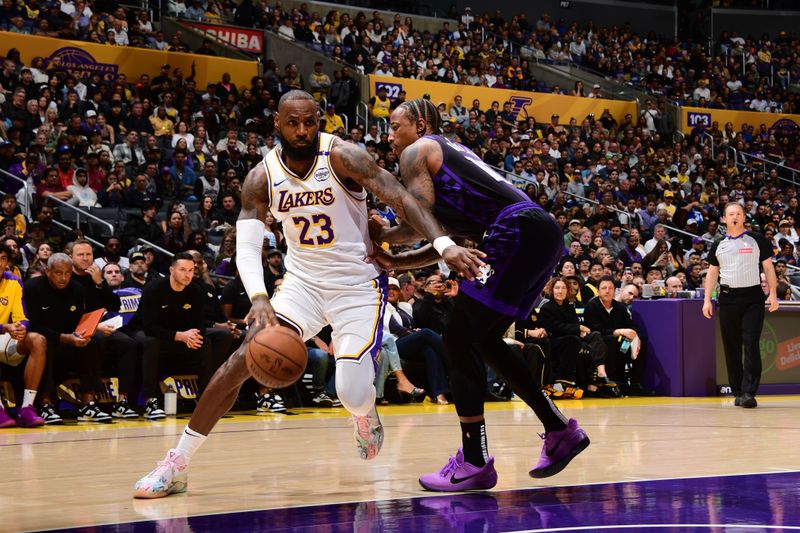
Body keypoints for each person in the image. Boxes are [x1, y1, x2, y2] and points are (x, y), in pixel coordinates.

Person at [133, 90, 480, 498]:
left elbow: (404, 200)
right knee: (240, 360)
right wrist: (259, 296)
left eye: (309, 122)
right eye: (292, 123)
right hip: (302, 285)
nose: (301, 131)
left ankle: (363, 412)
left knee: (350, 391)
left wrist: (443, 246)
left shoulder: (344, 157)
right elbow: (247, 244)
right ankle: (177, 463)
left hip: (357, 286)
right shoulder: (261, 177)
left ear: (320, 121)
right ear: (277, 124)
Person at [372, 98, 589, 492]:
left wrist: (384, 235)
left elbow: (420, 216)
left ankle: (473, 461)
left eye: (394, 126)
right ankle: (559, 429)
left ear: (420, 125)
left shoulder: (417, 151)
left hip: (515, 229)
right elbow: (444, 236)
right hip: (538, 233)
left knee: (457, 336)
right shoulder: (450, 156)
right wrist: (395, 262)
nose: (389, 136)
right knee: (483, 337)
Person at [703, 202, 778, 408]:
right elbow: (712, 273)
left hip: (752, 298)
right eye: (730, 214)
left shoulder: (757, 240)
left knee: (751, 343)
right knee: (732, 346)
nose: (734, 217)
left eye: (738, 213)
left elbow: (769, 268)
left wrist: (772, 294)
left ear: (744, 217)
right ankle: (737, 391)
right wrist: (707, 300)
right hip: (727, 299)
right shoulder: (719, 244)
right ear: (724, 219)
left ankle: (748, 392)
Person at [0, 243, 47, 428]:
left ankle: (27, 407)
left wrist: (21, 327)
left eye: (3, 258)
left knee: (38, 339)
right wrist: (5, 327)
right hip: (3, 330)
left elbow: (22, 317)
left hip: (5, 336)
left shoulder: (13, 281)